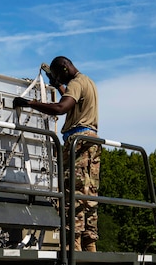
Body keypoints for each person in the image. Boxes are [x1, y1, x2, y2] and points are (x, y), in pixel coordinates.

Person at [12, 56, 100, 252]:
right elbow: (72, 100)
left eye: (59, 75)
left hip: (77, 142)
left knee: (72, 193)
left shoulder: (76, 83)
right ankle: (89, 243)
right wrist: (59, 86)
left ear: (65, 68)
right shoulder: (88, 82)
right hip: (91, 142)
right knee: (89, 194)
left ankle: (73, 245)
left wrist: (29, 103)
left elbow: (61, 108)